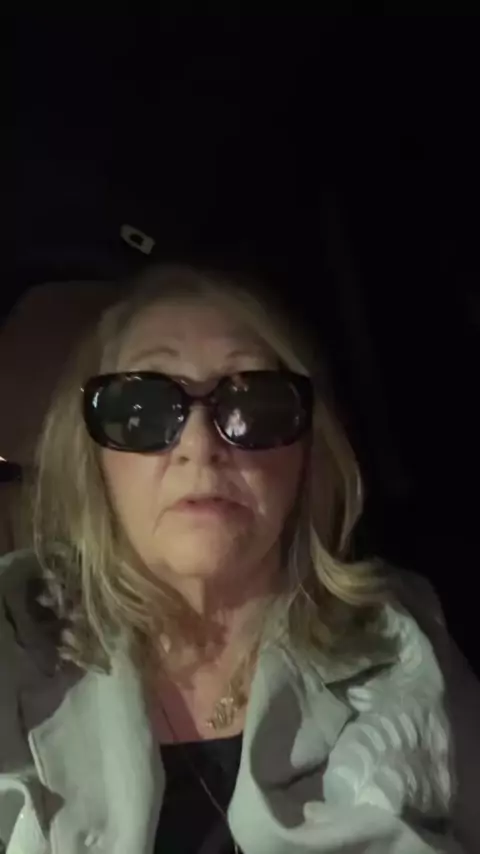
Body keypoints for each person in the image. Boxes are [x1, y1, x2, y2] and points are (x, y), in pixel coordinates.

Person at [0, 264, 478, 854]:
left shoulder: (402, 643)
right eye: (143, 408)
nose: (200, 445)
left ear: (308, 453)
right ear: (94, 457)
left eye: (254, 404)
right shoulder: (13, 640)